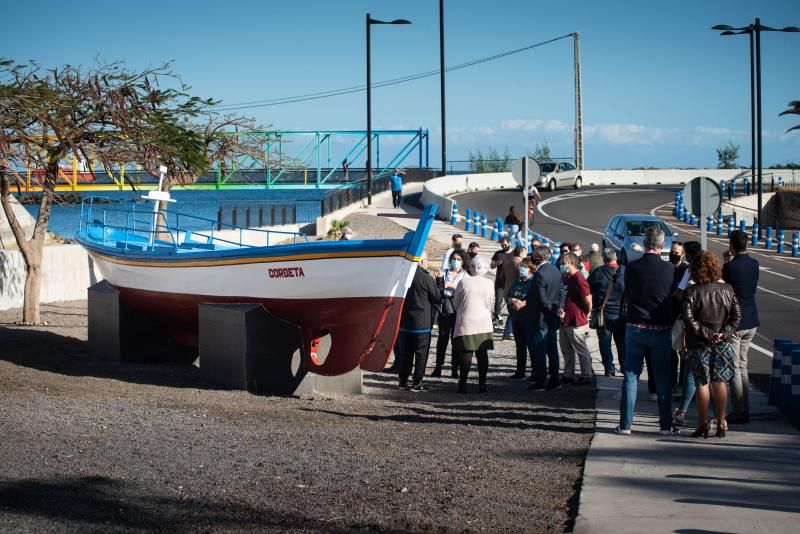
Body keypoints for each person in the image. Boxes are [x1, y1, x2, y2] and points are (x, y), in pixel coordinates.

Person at [617, 227, 677, 436]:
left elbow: (629, 292)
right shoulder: (670, 269)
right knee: (662, 377)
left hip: (636, 325)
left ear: (644, 244)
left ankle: (626, 424)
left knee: (631, 375)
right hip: (660, 327)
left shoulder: (632, 267)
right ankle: (665, 424)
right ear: (661, 245)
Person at [682, 251, 742, 438]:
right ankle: (721, 421)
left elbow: (689, 320)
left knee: (702, 382)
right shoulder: (728, 290)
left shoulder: (691, 292)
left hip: (699, 343)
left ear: (695, 270)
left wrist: (707, 334)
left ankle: (702, 423)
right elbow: (737, 316)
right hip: (722, 342)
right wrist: (722, 333)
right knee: (720, 381)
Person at [723, 230, 760, 425]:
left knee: (734, 367)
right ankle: (745, 406)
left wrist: (726, 263)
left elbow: (725, 289)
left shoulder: (730, 267)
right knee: (743, 365)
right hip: (751, 320)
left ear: (731, 245)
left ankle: (739, 411)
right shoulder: (754, 264)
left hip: (735, 322)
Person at [397, 251, 441, 391]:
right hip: (421, 323)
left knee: (406, 354)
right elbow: (437, 297)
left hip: (405, 322)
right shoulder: (426, 278)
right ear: (421, 262)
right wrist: (439, 281)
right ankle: (417, 381)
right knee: (421, 353)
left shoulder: (403, 277)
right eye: (426, 260)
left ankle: (403, 381)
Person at [453, 260, 495, 393]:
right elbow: (490, 303)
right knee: (482, 353)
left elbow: (456, 303)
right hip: (483, 320)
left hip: (466, 320)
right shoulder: (489, 283)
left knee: (466, 352)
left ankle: (463, 383)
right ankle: (482, 384)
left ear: (472, 268)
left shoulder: (463, 282)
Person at [526, 245, 565, 391]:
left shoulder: (540, 274)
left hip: (541, 318)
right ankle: (554, 379)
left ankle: (541, 380)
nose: (532, 257)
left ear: (540, 257)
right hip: (552, 318)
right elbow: (562, 291)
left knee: (540, 350)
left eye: (535, 255)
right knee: (552, 350)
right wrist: (559, 309)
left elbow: (542, 300)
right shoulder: (555, 270)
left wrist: (555, 310)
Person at [433, 249, 470, 378]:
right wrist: (439, 281)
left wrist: (454, 288)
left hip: (458, 312)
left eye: (459, 259)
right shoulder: (443, 273)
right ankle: (438, 367)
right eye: (454, 259)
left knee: (456, 342)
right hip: (444, 311)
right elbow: (437, 291)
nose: (456, 261)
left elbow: (467, 294)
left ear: (463, 261)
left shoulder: (466, 276)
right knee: (442, 340)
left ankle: (455, 369)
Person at [588, 248, 625, 377]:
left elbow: (588, 288)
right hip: (621, 313)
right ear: (616, 259)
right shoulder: (624, 271)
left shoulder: (598, 271)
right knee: (621, 342)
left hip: (602, 313)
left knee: (604, 342)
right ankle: (625, 367)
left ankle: (609, 369)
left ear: (604, 260)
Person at [559, 253, 593, 385]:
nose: (561, 265)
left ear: (571, 263)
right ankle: (568, 374)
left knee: (581, 349)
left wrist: (586, 313)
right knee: (566, 349)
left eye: (563, 263)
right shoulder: (567, 278)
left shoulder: (579, 279)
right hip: (565, 319)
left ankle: (586, 375)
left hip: (576, 320)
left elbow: (588, 300)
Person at [506, 258, 536, 379]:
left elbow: (536, 298)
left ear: (530, 269)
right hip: (516, 317)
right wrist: (513, 300)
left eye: (524, 267)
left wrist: (524, 302)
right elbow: (508, 297)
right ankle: (520, 371)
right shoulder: (516, 282)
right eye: (520, 267)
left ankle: (535, 371)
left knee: (532, 345)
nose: (521, 269)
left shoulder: (533, 282)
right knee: (520, 345)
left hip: (528, 318)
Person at [500, 246, 527, 340]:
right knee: (514, 313)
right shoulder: (519, 263)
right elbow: (522, 277)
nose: (526, 255)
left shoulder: (507, 262)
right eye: (525, 253)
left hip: (507, 290)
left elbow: (502, 277)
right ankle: (507, 334)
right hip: (516, 291)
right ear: (520, 253)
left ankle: (508, 333)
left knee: (512, 312)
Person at [490, 237, 513, 328]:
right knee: (498, 301)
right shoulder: (498, 254)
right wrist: (496, 264)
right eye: (502, 245)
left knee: (510, 301)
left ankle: (510, 322)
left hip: (510, 282)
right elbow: (491, 266)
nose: (503, 246)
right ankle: (497, 319)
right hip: (500, 282)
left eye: (505, 244)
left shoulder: (514, 253)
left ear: (509, 243)